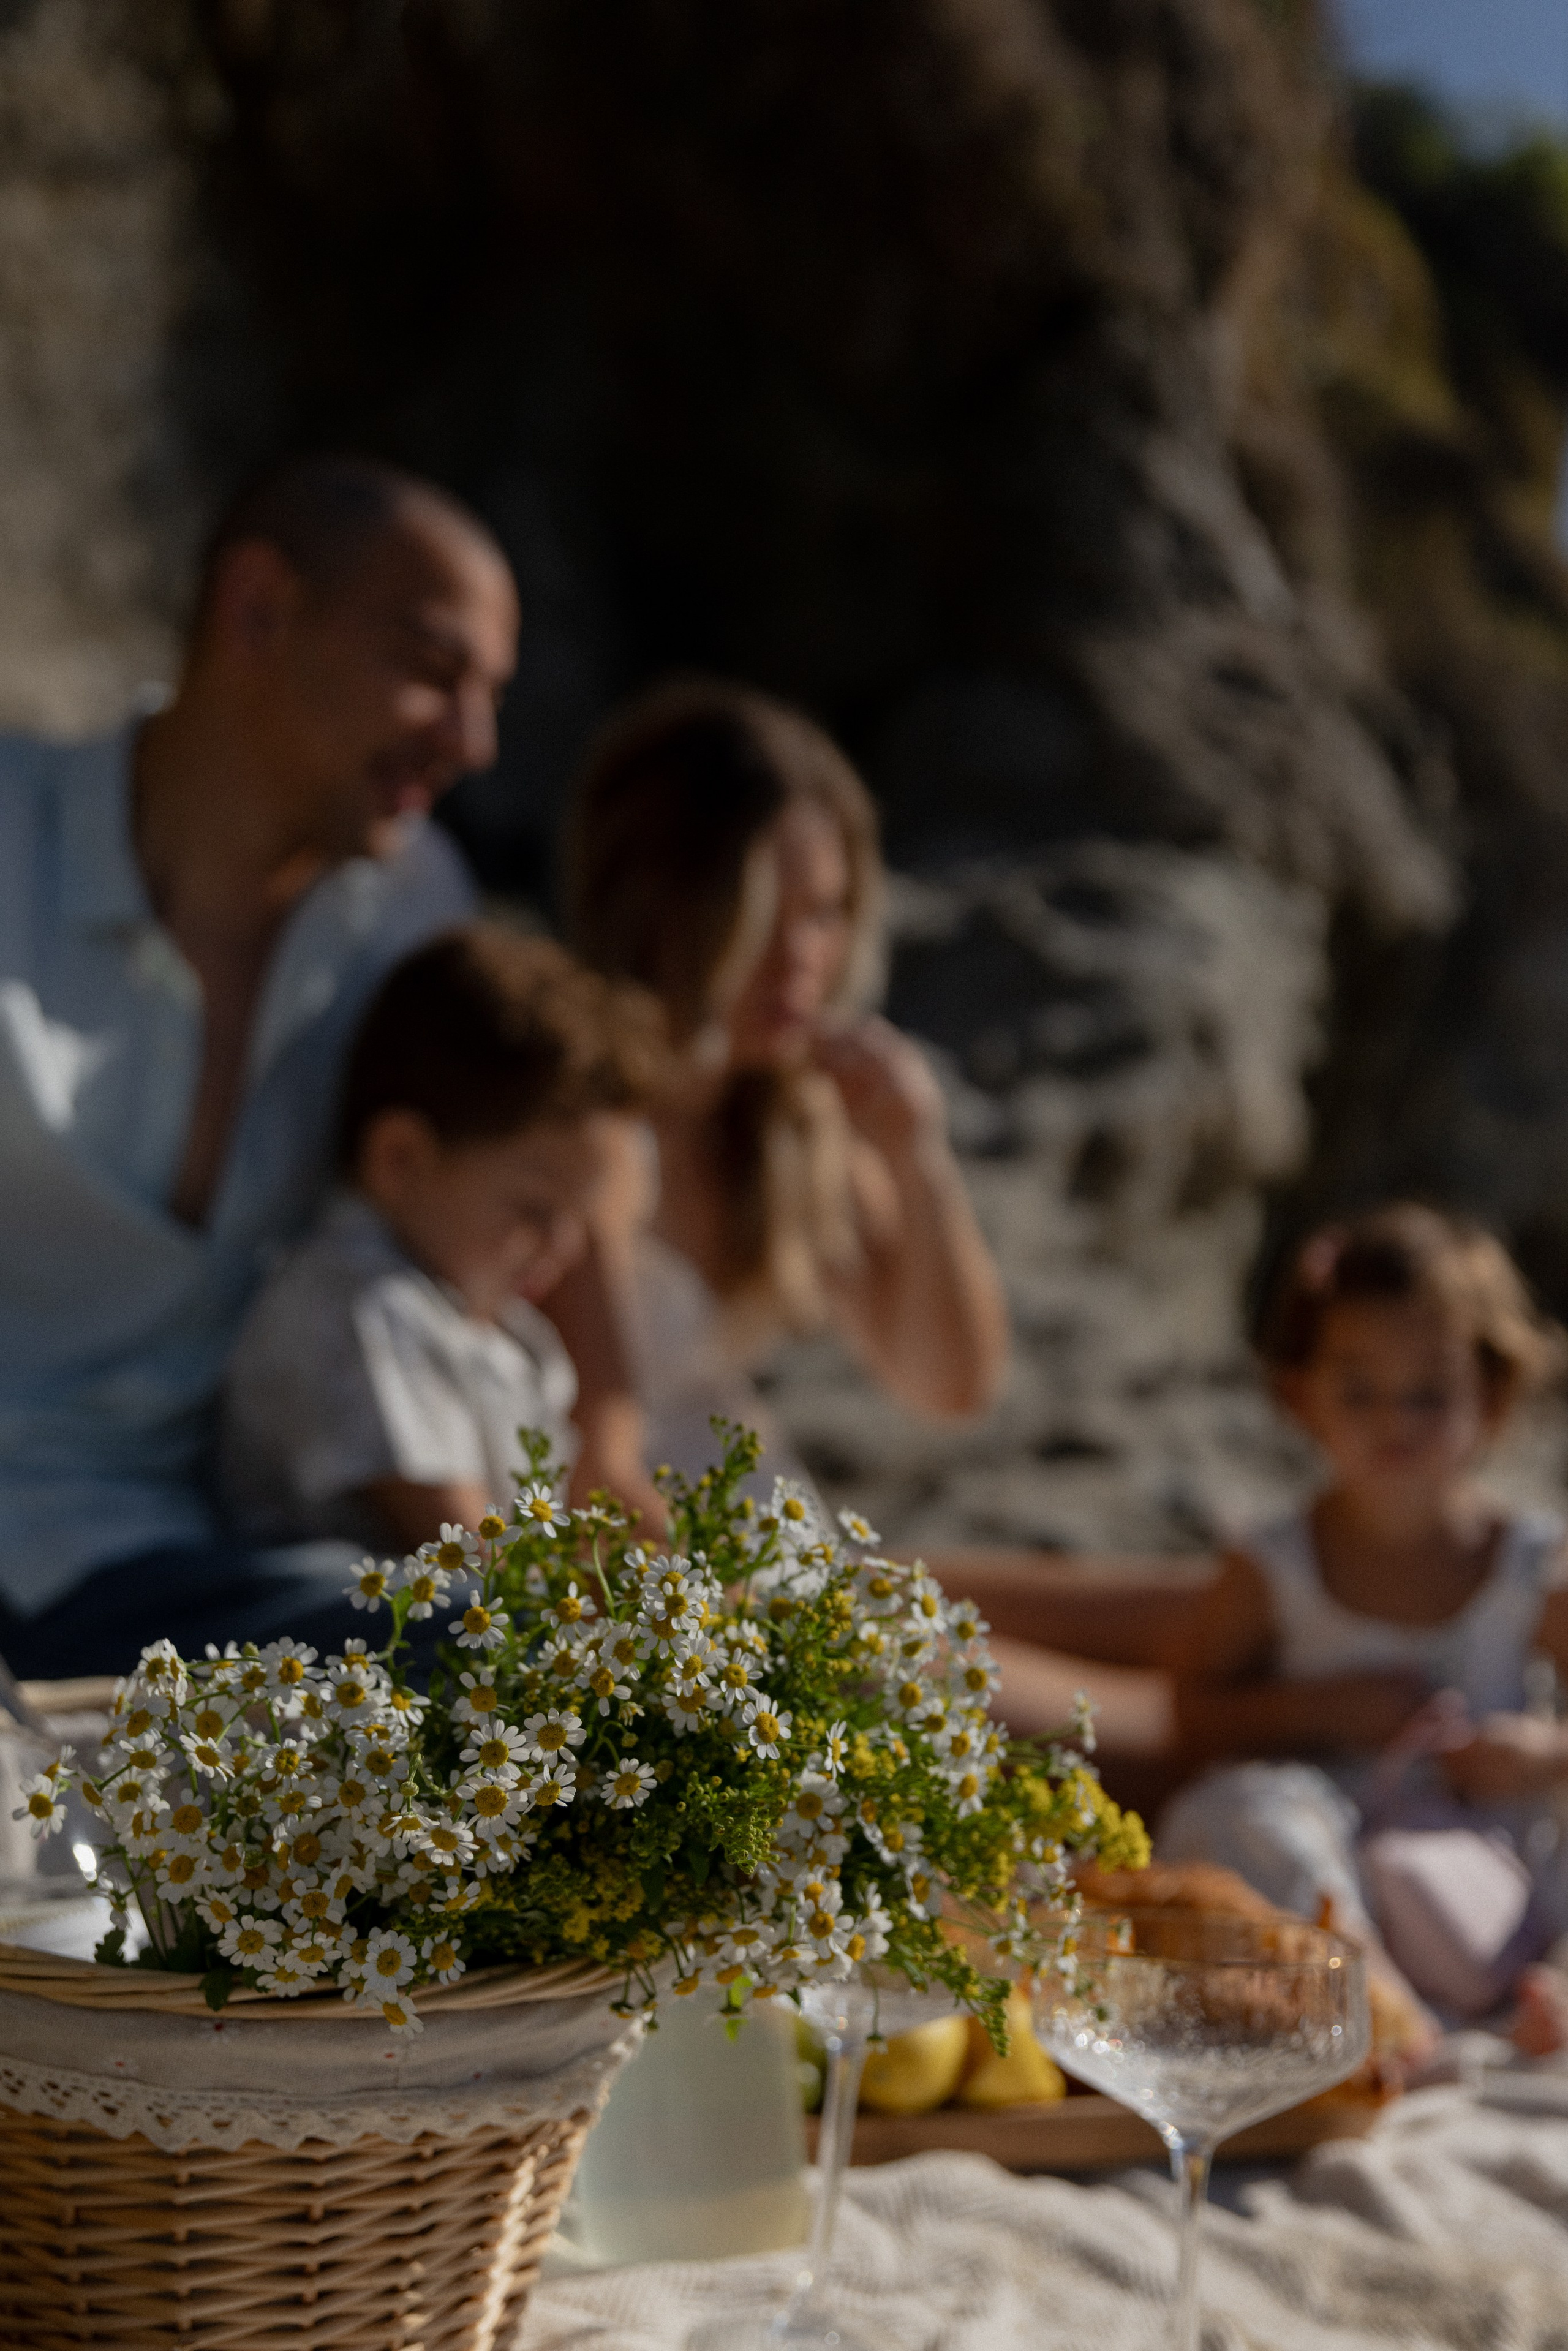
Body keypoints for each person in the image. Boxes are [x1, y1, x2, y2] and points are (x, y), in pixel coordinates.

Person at [0, 452, 521, 1677]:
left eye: (488, 691)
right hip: (48, 1559)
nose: (474, 739)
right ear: (258, 611)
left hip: (215, 1560)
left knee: (560, 1676)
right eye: (434, 670)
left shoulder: (411, 912)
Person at [552, 676, 1010, 1499]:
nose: (800, 959)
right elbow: (591, 1463)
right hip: (618, 1565)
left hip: (737, 1530)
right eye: (763, 909)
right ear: (662, 903)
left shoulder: (776, 1122)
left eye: (826, 913)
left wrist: (917, 1159)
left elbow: (950, 1389)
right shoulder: (566, 1117)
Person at [1161, 1202, 1568, 2041]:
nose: (1394, 1419)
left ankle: (1553, 1988)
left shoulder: (1533, 1564)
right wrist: (1321, 1711)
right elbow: (1192, 1715)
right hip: (1339, 1854)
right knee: (1236, 1805)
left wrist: (1541, 1752)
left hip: (1505, 1857)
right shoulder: (1274, 1561)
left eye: (1428, 1391)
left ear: (1490, 1394)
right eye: (1358, 1387)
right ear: (1300, 1392)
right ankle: (1378, 2008)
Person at [220, 926, 663, 1557]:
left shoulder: (498, 1329)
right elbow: (468, 1556)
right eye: (534, 1209)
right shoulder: (365, 1307)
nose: (563, 1248)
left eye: (579, 1219)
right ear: (399, 1159)